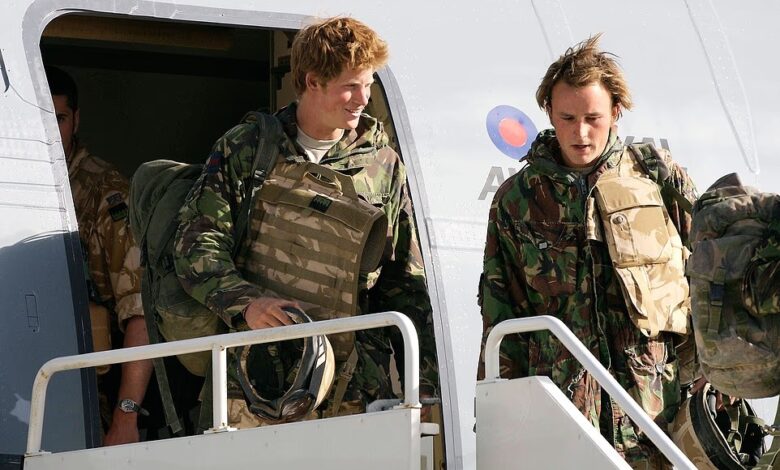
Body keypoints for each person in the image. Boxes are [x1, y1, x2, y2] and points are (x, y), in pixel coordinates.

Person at [174, 16, 438, 427]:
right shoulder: (249, 149)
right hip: (256, 386)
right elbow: (196, 245)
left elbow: (405, 283)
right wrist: (247, 304)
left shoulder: (382, 165)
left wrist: (424, 385)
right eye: (351, 86)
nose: (363, 98)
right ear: (313, 81)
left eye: (368, 84)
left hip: (353, 391)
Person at [478, 35, 697, 469]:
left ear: (616, 112)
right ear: (549, 113)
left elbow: (705, 278)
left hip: (652, 415)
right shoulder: (517, 200)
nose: (580, 133)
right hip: (562, 415)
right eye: (568, 118)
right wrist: (497, 418)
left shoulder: (657, 180)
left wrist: (717, 380)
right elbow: (501, 316)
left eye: (593, 118)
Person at [47, 66, 153, 445]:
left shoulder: (105, 194)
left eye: (58, 119)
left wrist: (125, 416)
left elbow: (140, 310)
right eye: (39, 119)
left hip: (82, 394)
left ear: (75, 120)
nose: (48, 130)